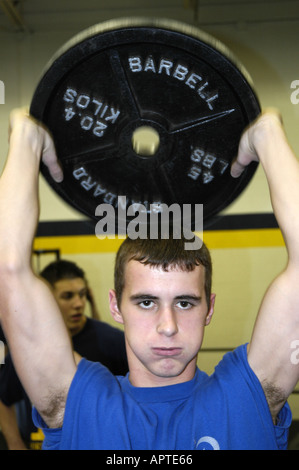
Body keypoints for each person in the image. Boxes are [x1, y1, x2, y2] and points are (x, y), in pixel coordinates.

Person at [0, 108, 298, 450]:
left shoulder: (246, 398)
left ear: (209, 308)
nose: (167, 326)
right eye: (146, 302)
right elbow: (8, 271)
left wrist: (269, 136)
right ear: (115, 306)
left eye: (185, 302)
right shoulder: (80, 406)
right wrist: (25, 141)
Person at [0, 259, 128, 450]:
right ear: (48, 300)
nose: (78, 303)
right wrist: (15, 442)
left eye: (82, 294)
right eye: (68, 296)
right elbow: (2, 398)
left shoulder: (113, 341)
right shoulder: (30, 348)